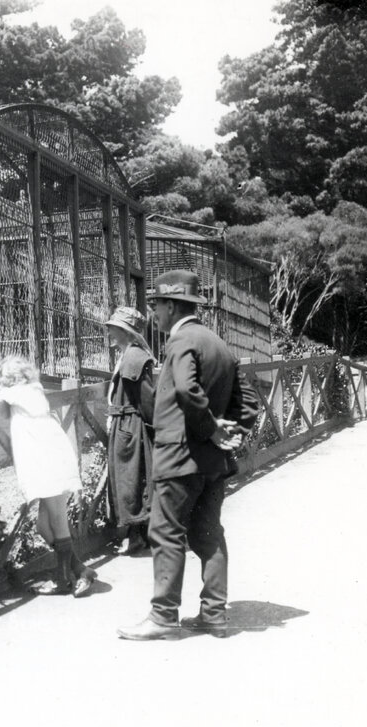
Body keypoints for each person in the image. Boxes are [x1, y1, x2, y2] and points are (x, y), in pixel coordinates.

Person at [117, 270, 259, 640]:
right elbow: (250, 405)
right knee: (208, 535)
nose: (154, 316)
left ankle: (163, 617)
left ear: (170, 304)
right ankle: (214, 614)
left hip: (179, 459)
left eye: (157, 307)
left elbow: (185, 388)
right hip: (213, 463)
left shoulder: (181, 341)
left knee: (165, 533)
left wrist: (210, 427)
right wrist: (230, 436)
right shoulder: (220, 345)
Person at [0, 354, 98, 596]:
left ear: (12, 379)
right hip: (53, 460)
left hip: (51, 465)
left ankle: (63, 581)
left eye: (4, 378)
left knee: (57, 520)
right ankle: (80, 569)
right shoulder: (34, 392)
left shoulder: (20, 393)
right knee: (43, 525)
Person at [104, 306, 156, 556]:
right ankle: (139, 535)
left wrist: (154, 427)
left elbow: (147, 399)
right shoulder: (128, 355)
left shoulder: (134, 357)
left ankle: (137, 536)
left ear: (126, 331)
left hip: (130, 425)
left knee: (131, 478)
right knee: (130, 477)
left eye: (114, 328)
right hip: (125, 424)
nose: (110, 332)